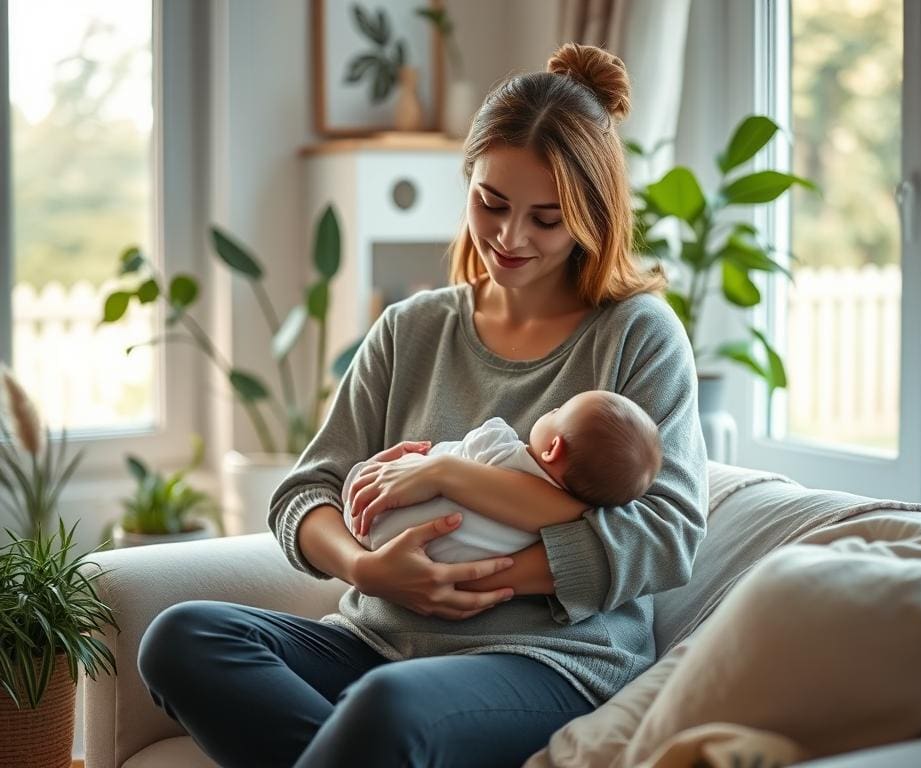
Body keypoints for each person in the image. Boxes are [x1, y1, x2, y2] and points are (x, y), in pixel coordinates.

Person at [137, 42, 708, 768]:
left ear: (592, 217)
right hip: (375, 639)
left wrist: (462, 548)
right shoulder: (413, 329)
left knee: (388, 708)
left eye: (546, 218)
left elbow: (667, 533)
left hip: (548, 662)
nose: (509, 237)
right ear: (467, 178)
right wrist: (368, 570)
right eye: (491, 203)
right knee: (181, 638)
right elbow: (304, 494)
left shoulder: (636, 334)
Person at [344, 389, 663, 564]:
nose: (550, 409)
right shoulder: (547, 527)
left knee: (374, 474)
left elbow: (472, 442)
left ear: (552, 449)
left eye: (558, 411)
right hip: (418, 557)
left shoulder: (505, 451)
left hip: (374, 519)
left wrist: (427, 464)